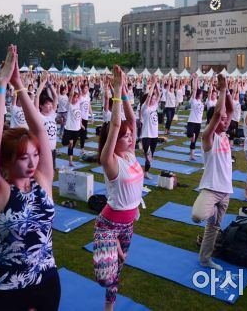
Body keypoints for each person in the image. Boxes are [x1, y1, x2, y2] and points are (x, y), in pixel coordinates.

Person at [0, 46, 59, 311]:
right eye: (24, 158)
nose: (33, 162)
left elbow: (41, 132)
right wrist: (2, 84)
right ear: (6, 161)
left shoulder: (43, 181)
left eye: (35, 155)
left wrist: (20, 86)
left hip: (47, 280)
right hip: (8, 290)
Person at [95, 65, 143, 311]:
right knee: (104, 276)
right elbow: (115, 126)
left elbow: (131, 120)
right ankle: (111, 247)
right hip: (108, 224)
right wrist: (114, 92)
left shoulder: (131, 155)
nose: (130, 137)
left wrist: (124, 89)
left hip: (128, 223)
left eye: (130, 136)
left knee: (117, 272)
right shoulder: (110, 162)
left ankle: (108, 308)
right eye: (125, 137)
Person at [191, 74, 234, 271]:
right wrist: (222, 90)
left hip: (226, 191)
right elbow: (217, 115)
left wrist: (228, 91)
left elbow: (229, 110)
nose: (225, 122)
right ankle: (203, 208)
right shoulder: (208, 138)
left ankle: (205, 258)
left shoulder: (224, 135)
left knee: (214, 228)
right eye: (222, 120)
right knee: (198, 216)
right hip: (211, 188)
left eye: (226, 120)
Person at [35, 73, 58, 170]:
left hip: (53, 149)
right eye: (47, 104)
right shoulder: (39, 115)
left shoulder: (52, 114)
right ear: (41, 106)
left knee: (51, 171)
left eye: (50, 104)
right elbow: (37, 97)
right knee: (42, 172)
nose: (50, 106)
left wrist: (49, 83)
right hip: (43, 149)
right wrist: (43, 82)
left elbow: (55, 97)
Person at [140, 76, 159, 180]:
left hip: (154, 135)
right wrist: (153, 84)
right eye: (152, 98)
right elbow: (149, 96)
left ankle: (146, 172)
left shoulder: (155, 106)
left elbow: (159, 94)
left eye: (154, 99)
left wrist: (156, 84)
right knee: (147, 155)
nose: (153, 99)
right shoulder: (144, 107)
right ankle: (144, 170)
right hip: (146, 135)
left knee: (151, 155)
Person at [186, 76, 204, 160]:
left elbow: (198, 89)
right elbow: (195, 90)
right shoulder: (194, 101)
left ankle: (192, 155)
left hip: (198, 123)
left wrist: (197, 81)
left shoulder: (200, 101)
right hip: (192, 121)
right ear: (198, 95)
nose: (202, 95)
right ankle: (191, 153)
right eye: (201, 94)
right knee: (191, 136)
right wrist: (195, 80)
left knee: (194, 140)